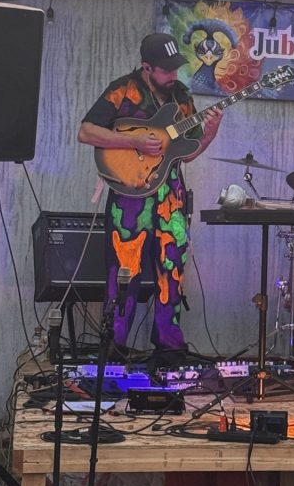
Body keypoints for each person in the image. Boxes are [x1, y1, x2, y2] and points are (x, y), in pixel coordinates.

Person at [78, 32, 222, 359]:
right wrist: (135, 142)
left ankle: (169, 345)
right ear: (146, 67)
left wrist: (210, 133)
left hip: (170, 196)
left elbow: (187, 154)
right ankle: (114, 346)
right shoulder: (124, 89)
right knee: (125, 271)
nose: (173, 76)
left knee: (172, 267)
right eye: (166, 70)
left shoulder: (182, 97)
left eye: (176, 69)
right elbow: (86, 131)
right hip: (130, 195)